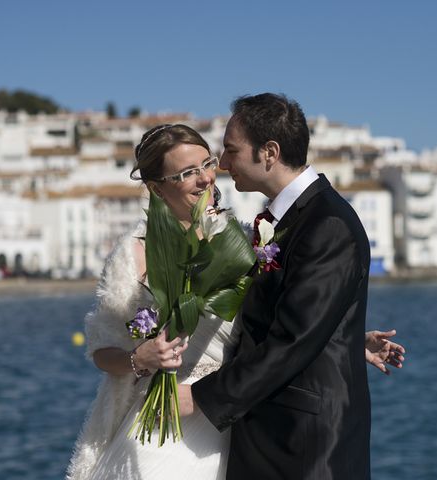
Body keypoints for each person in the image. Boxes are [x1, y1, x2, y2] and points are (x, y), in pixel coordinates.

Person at [66, 122, 404, 480]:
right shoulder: (134, 252)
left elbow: (283, 323)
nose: (206, 179)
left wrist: (345, 340)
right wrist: (139, 358)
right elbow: (102, 351)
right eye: (187, 173)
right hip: (167, 421)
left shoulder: (246, 240)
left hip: (240, 425)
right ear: (156, 187)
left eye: (207, 164)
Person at [177, 93, 380, 479]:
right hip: (274, 434)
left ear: (269, 152)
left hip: (307, 447)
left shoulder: (327, 225)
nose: (222, 163)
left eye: (231, 150)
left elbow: (292, 339)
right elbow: (293, 316)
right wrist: (350, 338)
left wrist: (199, 399)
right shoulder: (288, 219)